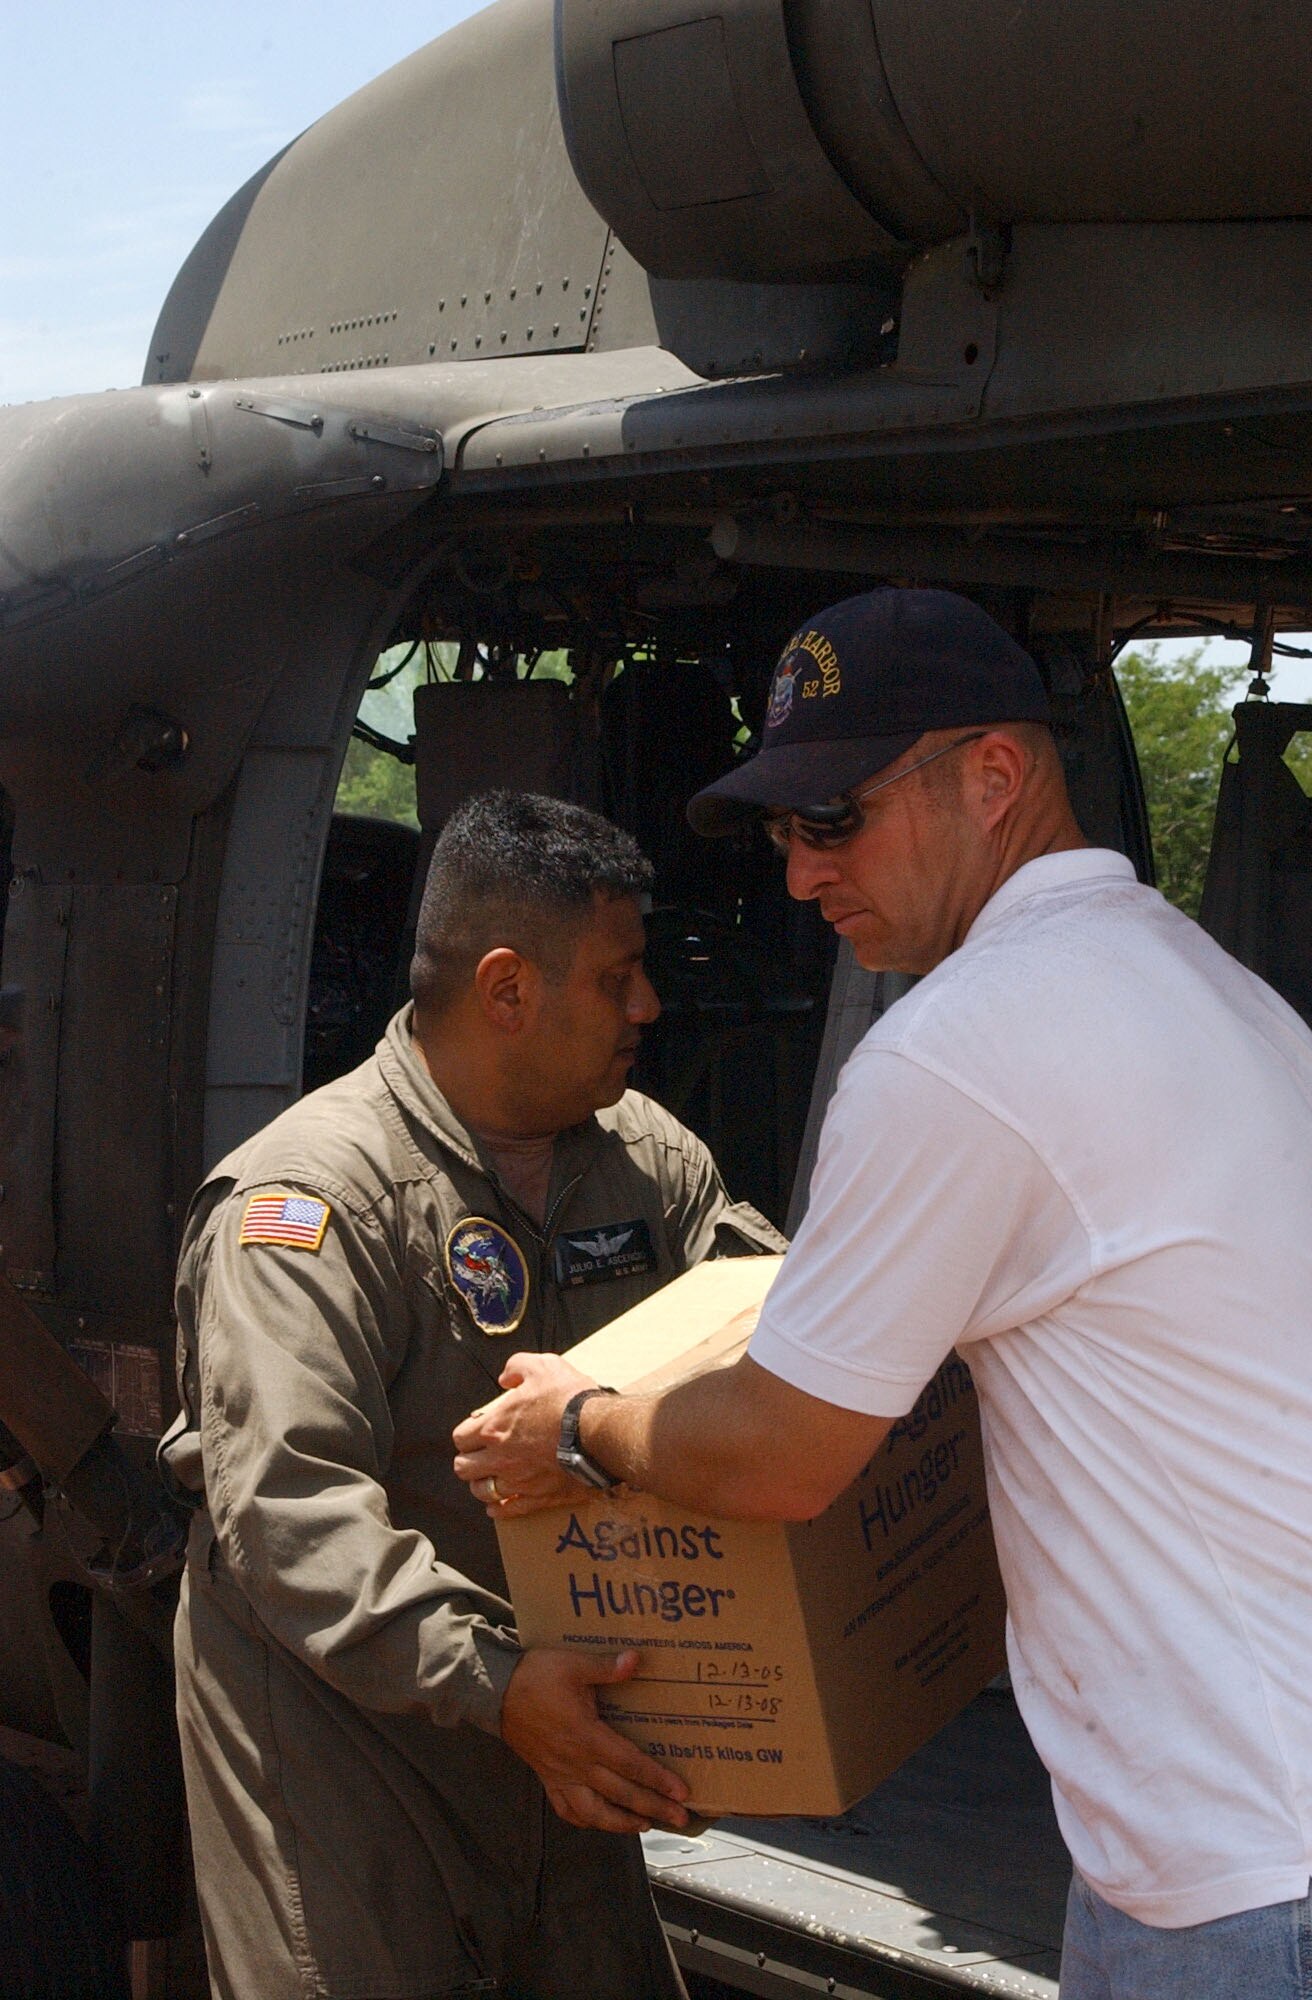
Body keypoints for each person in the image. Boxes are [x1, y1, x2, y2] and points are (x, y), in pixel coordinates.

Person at [453, 590, 1312, 2000]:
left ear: (995, 779)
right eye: (786, 831)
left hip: (1241, 1876)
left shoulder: (959, 1051)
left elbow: (788, 1453)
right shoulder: (1207, 987)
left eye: (835, 819)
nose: (799, 876)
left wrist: (582, 1426)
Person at [161, 789, 783, 2000]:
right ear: (509, 989)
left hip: (553, 1711)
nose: (648, 1006)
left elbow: (772, 1333)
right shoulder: (309, 1203)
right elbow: (290, 1513)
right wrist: (496, 1682)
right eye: (619, 976)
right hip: (350, 1733)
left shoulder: (643, 1159)